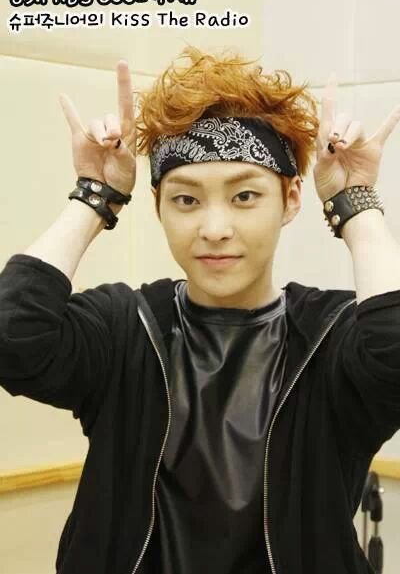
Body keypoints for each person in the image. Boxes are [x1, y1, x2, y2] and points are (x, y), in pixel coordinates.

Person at [0, 44, 400, 574]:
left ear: (291, 200)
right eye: (186, 199)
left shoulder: (330, 338)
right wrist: (95, 194)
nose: (214, 229)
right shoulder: (126, 328)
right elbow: (13, 335)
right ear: (158, 206)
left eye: (244, 197)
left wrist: (355, 201)